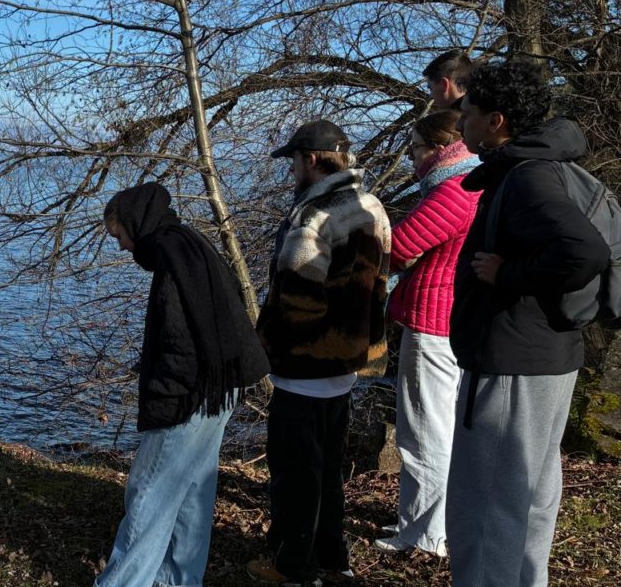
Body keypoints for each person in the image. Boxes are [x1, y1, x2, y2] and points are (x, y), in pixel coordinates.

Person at [447, 59, 609, 587]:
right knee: (529, 500)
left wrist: (508, 274)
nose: (459, 122)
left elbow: (582, 252)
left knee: (488, 510)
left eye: (466, 112)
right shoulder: (541, 166)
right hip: (544, 359)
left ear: (497, 120)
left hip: (513, 365)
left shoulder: (526, 178)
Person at [96, 183, 268, 587]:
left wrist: (165, 401)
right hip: (222, 385)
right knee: (192, 489)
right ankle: (177, 580)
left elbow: (180, 343)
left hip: (194, 393)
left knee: (149, 492)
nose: (121, 247)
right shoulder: (188, 243)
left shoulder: (173, 258)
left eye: (119, 236)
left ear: (135, 224)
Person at [247, 120, 391, 586]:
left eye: (293, 161)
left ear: (310, 159)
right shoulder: (372, 207)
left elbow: (294, 298)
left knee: (294, 474)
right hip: (346, 364)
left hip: (303, 367)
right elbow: (379, 290)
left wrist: (265, 348)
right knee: (328, 471)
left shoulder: (312, 217)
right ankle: (334, 560)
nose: (291, 171)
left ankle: (294, 567)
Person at [376, 111, 480, 557]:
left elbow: (399, 247)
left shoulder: (453, 191)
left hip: (433, 321)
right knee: (439, 428)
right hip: (449, 320)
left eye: (416, 149)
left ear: (441, 148)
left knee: (424, 432)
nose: (413, 159)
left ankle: (425, 534)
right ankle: (429, 521)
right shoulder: (472, 182)